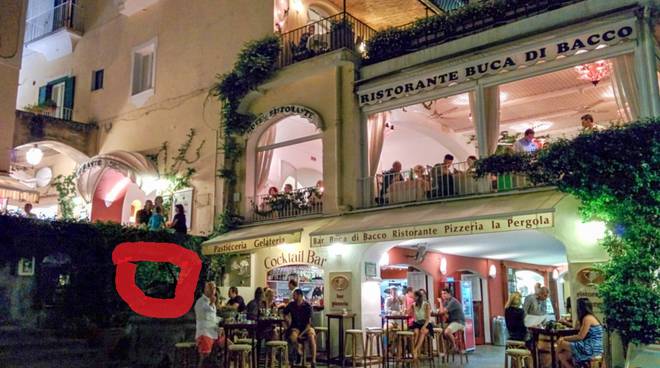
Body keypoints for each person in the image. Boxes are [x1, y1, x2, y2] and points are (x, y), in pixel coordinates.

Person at [557, 298, 604, 368]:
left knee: (560, 343)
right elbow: (577, 329)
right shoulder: (591, 317)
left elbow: (580, 337)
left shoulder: (587, 318)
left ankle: (554, 364)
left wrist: (564, 338)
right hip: (594, 347)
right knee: (562, 355)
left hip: (591, 347)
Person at [283, 289, 317, 367]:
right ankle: (298, 350)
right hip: (295, 327)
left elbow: (309, 324)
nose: (293, 297)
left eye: (294, 295)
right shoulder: (291, 305)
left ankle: (313, 360)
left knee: (311, 336)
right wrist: (287, 322)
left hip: (306, 328)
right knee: (293, 336)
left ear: (300, 296)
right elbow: (284, 313)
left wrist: (301, 334)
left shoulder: (308, 306)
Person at [194, 282, 225, 367]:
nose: (212, 290)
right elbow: (205, 313)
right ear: (205, 289)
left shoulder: (211, 301)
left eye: (214, 288)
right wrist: (212, 303)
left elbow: (212, 317)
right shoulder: (200, 302)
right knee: (204, 359)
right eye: (210, 288)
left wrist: (220, 322)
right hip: (205, 333)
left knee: (229, 346)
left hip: (214, 333)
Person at [410, 290, 434, 359]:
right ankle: (414, 351)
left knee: (422, 331)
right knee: (416, 332)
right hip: (417, 323)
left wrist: (424, 326)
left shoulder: (426, 304)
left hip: (426, 323)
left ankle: (415, 350)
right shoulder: (414, 305)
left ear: (417, 297)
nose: (412, 297)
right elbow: (412, 315)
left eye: (414, 296)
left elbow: (428, 318)